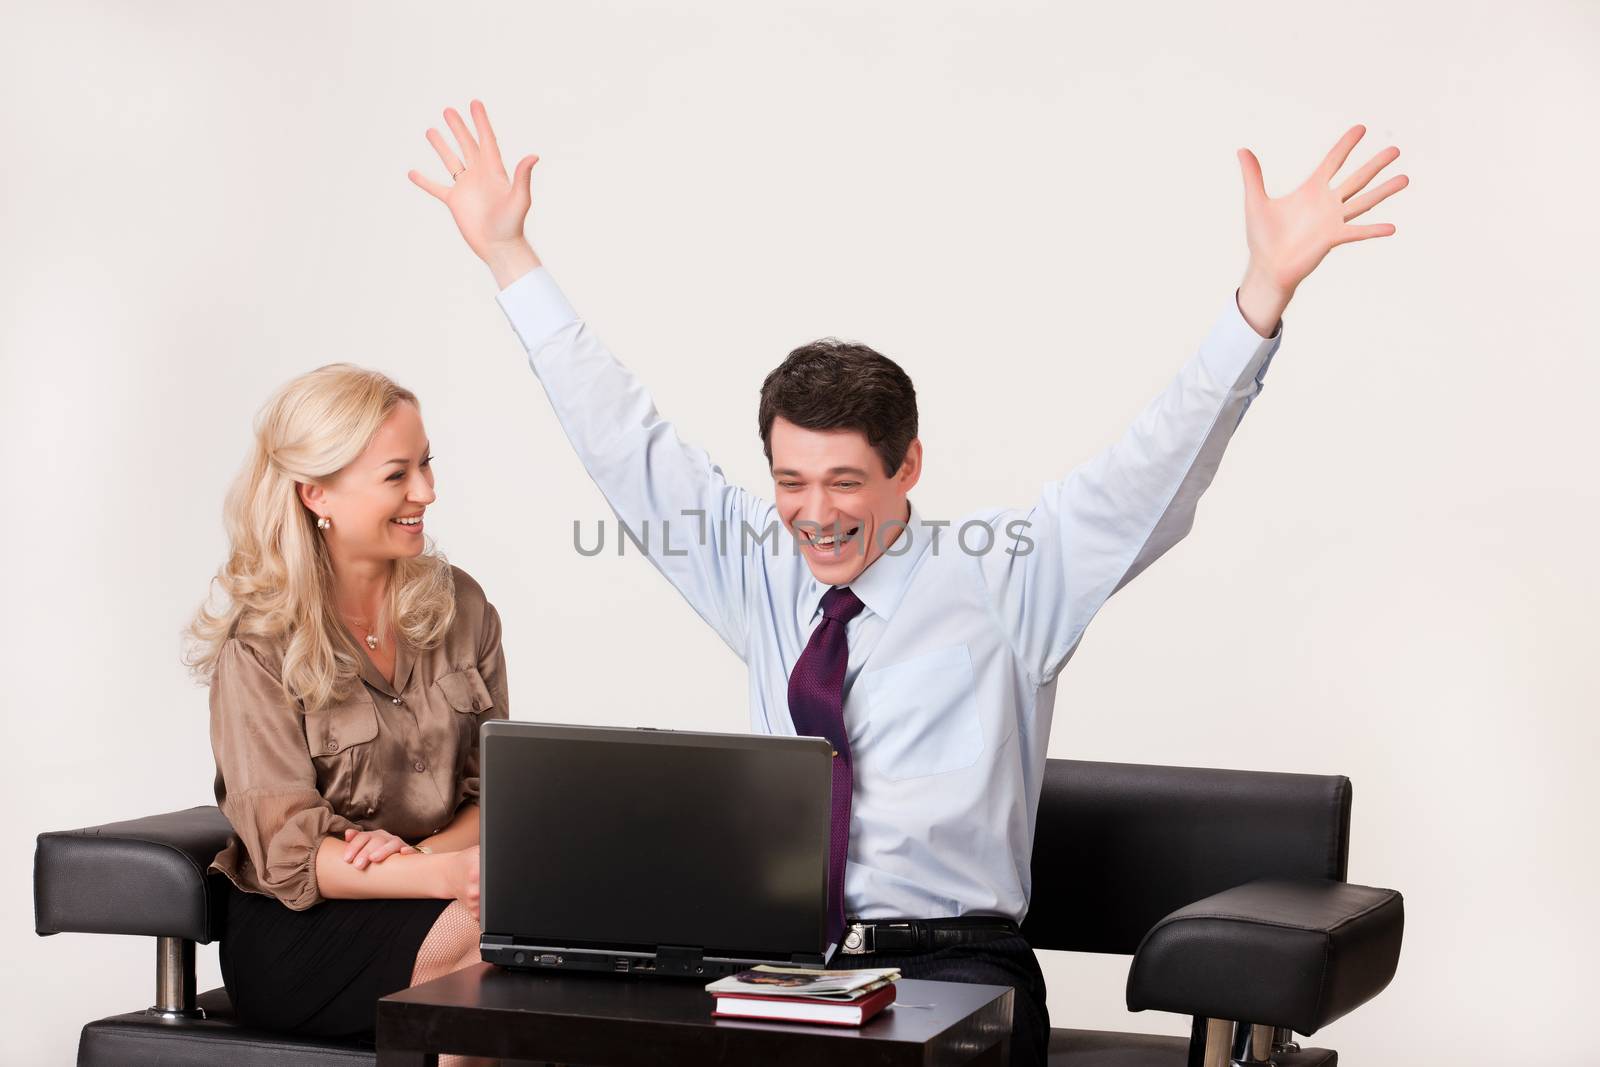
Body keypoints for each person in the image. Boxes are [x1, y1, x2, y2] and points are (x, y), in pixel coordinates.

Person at [409, 100, 1407, 1065]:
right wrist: (509, 256)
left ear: (907, 468)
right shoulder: (757, 567)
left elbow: (1158, 460)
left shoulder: (1013, 576)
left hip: (956, 964)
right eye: (790, 481)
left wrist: (1261, 293)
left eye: (846, 481)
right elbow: (625, 439)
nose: (815, 512)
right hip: (782, 959)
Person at [186, 363, 507, 1049]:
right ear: (315, 493)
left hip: (441, 879)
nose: (427, 490)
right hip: (305, 926)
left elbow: (498, 790)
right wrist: (437, 875)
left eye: (426, 465)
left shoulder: (464, 607)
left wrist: (421, 859)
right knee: (487, 940)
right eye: (397, 475)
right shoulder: (260, 644)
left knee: (562, 941)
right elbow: (288, 855)